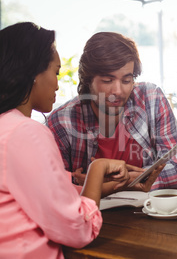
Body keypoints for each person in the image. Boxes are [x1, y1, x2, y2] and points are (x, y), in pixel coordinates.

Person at [0, 22, 140, 258]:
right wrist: (98, 167)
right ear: (33, 73)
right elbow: (78, 229)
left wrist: (110, 184)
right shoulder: (26, 132)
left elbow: (52, 193)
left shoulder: (7, 126)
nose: (57, 83)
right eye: (55, 72)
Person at [47, 32, 177, 192]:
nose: (118, 91)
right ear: (88, 79)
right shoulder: (62, 122)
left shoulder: (150, 99)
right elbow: (53, 190)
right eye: (108, 80)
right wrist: (137, 180)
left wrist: (117, 182)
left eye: (126, 80)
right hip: (92, 214)